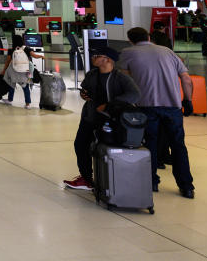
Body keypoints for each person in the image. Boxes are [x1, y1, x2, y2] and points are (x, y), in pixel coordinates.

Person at [118, 27, 195, 198]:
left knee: (149, 144)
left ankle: (152, 181)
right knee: (178, 146)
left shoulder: (127, 52)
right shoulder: (167, 51)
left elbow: (124, 80)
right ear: (149, 37)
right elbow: (186, 78)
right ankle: (187, 186)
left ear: (130, 40)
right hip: (172, 108)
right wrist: (188, 100)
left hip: (146, 107)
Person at [63, 46, 140, 191]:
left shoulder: (121, 78)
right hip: (89, 117)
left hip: (110, 120)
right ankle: (86, 178)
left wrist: (109, 105)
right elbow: (85, 88)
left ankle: (112, 180)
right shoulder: (92, 74)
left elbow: (135, 95)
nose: (93, 58)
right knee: (81, 145)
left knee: (107, 149)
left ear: (108, 59)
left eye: (97, 56)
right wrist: (83, 95)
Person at [1, 34, 33, 108]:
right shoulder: (26, 48)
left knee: (11, 84)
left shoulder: (12, 50)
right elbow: (31, 59)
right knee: (25, 87)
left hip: (15, 71)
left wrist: (4, 70)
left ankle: (10, 100)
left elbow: (7, 62)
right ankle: (28, 104)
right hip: (26, 71)